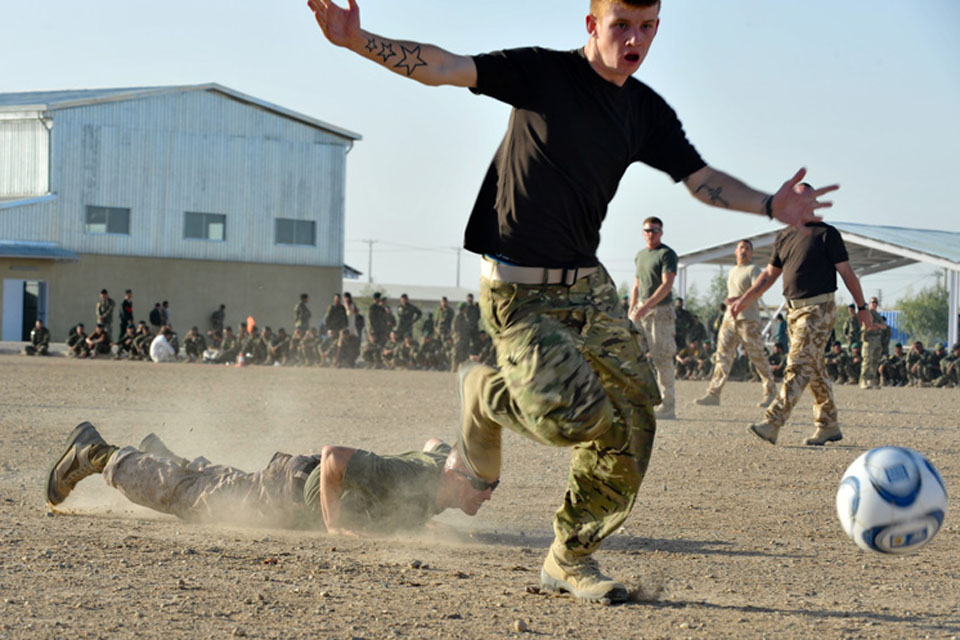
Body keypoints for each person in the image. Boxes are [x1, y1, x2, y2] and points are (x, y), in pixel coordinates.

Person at [307, 0, 836, 602]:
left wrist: (772, 205)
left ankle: (569, 556)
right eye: (621, 26)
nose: (633, 39)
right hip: (518, 292)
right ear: (592, 25)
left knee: (636, 417)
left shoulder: (643, 110)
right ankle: (487, 393)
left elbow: (700, 179)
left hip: (587, 286)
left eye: (646, 27)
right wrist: (358, 41)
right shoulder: (542, 74)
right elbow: (444, 66)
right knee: (577, 418)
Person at [46, 424, 493, 535]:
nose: (487, 495)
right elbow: (334, 457)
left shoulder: (436, 472)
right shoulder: (407, 475)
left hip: (286, 481)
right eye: (481, 485)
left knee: (215, 486)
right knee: (189, 499)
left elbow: (436, 441)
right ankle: (94, 453)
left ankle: (165, 457)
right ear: (455, 476)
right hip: (285, 495)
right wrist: (334, 522)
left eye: (493, 486)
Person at [731, 184, 869, 447]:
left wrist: (862, 308)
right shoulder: (784, 236)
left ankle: (773, 422)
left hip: (818, 310)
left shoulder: (827, 234)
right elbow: (769, 275)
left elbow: (847, 273)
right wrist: (744, 299)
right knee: (814, 369)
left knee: (797, 366)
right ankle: (828, 425)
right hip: (793, 311)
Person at [695, 239, 777, 408]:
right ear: (735, 251)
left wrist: (740, 299)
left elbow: (758, 290)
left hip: (748, 319)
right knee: (722, 356)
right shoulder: (732, 271)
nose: (743, 251)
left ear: (751, 253)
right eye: (741, 248)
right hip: (729, 319)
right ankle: (713, 394)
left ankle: (771, 392)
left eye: (747, 248)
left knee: (758, 357)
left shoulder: (753, 269)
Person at [629, 216, 678, 419]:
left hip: (660, 312)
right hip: (640, 311)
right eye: (647, 231)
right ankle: (638, 402)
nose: (651, 234)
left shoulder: (666, 254)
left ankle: (667, 406)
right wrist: (632, 310)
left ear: (661, 232)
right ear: (643, 232)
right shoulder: (640, 255)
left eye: (655, 231)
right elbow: (637, 284)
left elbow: (666, 285)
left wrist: (646, 306)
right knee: (633, 355)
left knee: (662, 358)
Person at [859, 297, 888, 389]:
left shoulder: (878, 315)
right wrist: (878, 326)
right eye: (872, 302)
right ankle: (863, 380)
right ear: (869, 303)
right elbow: (869, 327)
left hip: (877, 340)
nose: (874, 304)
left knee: (875, 361)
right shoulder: (867, 314)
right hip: (869, 340)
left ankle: (871, 380)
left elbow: (884, 326)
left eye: (876, 302)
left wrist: (876, 325)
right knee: (867, 360)